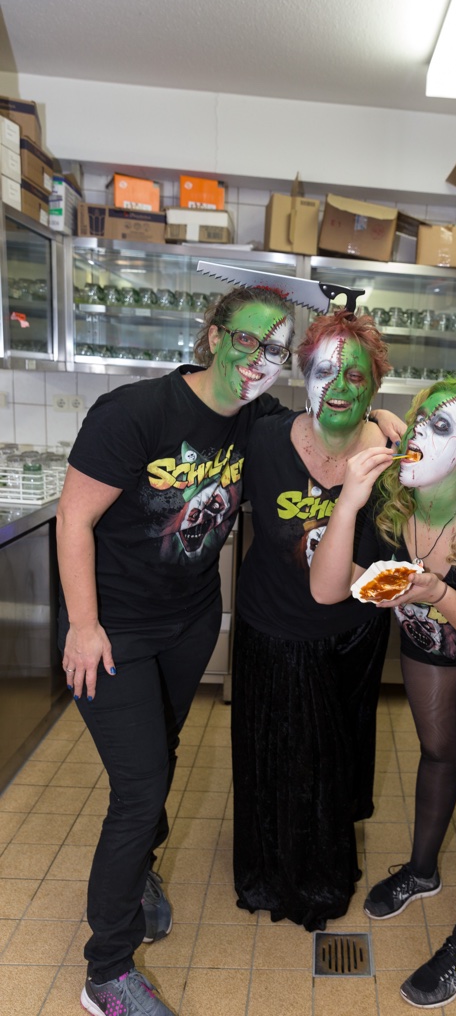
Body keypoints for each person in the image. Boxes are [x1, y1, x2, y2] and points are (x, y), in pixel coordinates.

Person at [56, 284, 299, 1016]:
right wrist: (84, 626)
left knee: (160, 753)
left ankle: (138, 874)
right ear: (215, 335)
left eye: (276, 348)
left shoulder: (257, 419)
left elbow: (324, 431)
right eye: (247, 339)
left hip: (188, 623)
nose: (258, 359)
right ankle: (107, 973)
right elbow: (72, 520)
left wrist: (380, 417)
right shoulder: (135, 412)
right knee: (139, 791)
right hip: (114, 630)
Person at [310, 374, 456, 1008]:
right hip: (429, 643)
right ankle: (421, 871)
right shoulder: (395, 509)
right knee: (436, 753)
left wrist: (436, 592)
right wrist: (345, 506)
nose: (417, 435)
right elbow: (332, 586)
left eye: (439, 428)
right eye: (418, 422)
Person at [231, 308, 396, 931]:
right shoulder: (264, 438)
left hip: (350, 639)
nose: (339, 387)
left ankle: (323, 876)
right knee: (272, 763)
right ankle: (266, 873)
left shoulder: (390, 457)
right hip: (271, 630)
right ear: (304, 375)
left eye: (356, 376)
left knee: (331, 767)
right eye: (326, 371)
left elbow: (445, 511)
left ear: (374, 384)